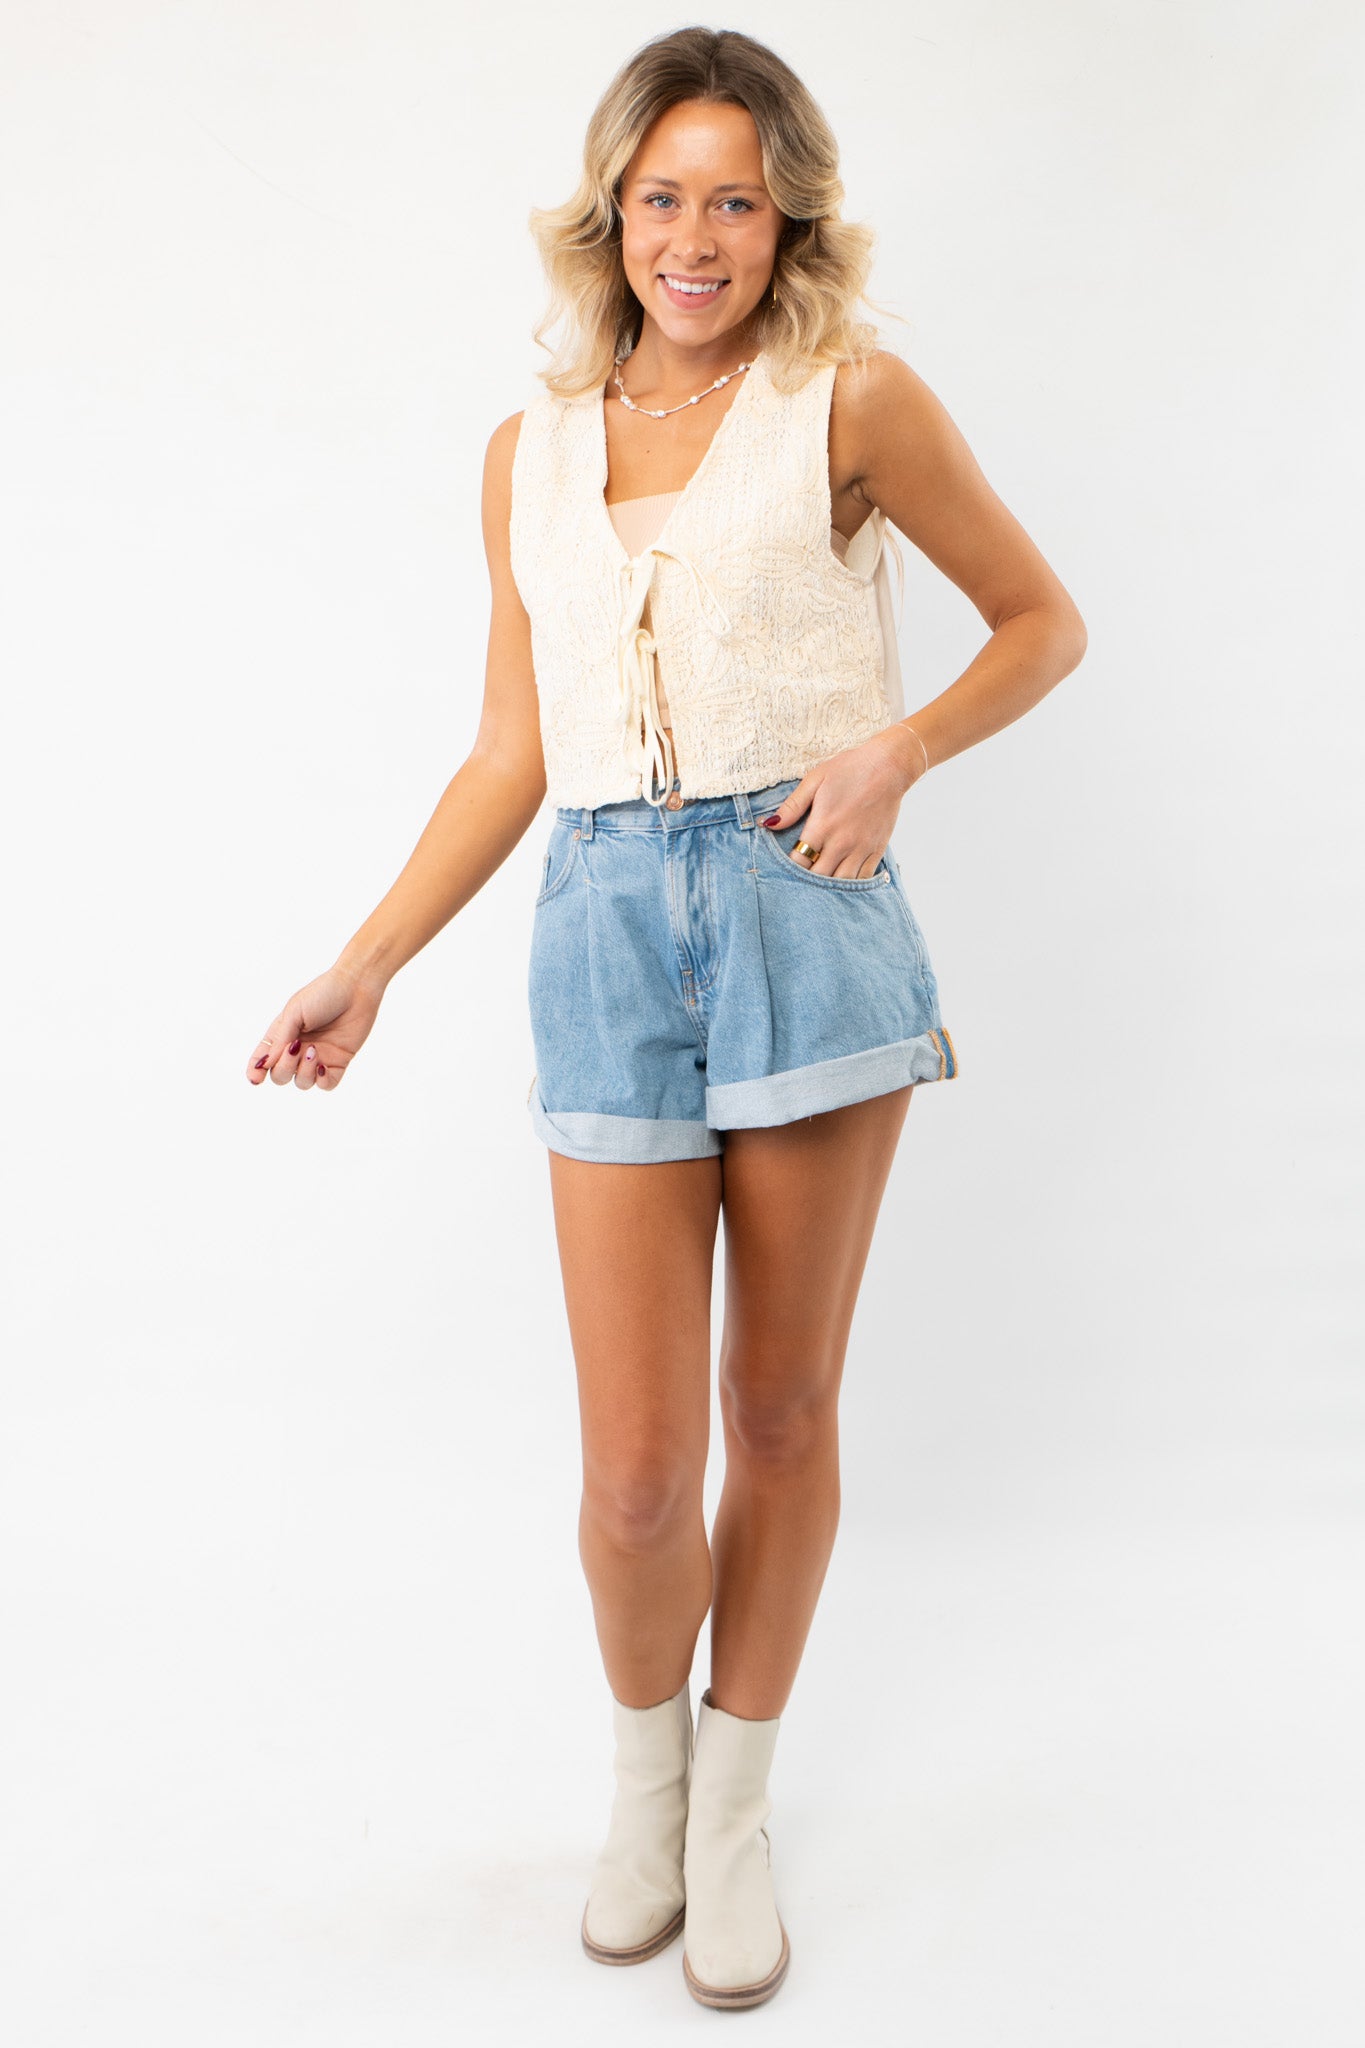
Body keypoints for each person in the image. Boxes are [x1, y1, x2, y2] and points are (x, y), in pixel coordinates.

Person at [244, 25, 1086, 2013]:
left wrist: (893, 751)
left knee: (774, 1413)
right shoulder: (520, 456)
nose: (693, 235)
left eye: (730, 196)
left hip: (809, 913)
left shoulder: (851, 402)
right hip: (602, 935)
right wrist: (364, 960)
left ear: (780, 209)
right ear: (605, 214)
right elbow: (505, 755)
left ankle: (733, 1807)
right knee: (633, 1473)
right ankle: (645, 1780)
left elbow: (1041, 621)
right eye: (659, 197)